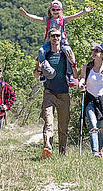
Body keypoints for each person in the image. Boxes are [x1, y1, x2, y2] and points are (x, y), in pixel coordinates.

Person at [20, 0, 92, 86]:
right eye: (53, 9)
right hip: (49, 42)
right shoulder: (48, 20)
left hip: (62, 43)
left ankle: (69, 74)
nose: (55, 11)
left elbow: (74, 16)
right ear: (50, 10)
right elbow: (36, 18)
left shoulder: (63, 20)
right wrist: (26, 14)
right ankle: (43, 71)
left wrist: (84, 12)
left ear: (61, 10)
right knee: (41, 51)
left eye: (57, 9)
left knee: (69, 53)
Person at [33, 28, 79, 159]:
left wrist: (73, 63)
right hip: (49, 93)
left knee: (63, 126)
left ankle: (62, 153)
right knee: (48, 122)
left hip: (64, 94)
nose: (55, 38)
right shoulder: (44, 55)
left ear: (61, 37)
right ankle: (48, 146)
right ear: (49, 38)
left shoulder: (66, 55)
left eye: (58, 35)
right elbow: (36, 75)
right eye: (53, 36)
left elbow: (75, 76)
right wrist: (39, 68)